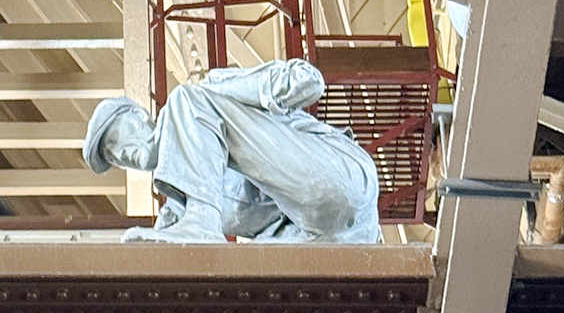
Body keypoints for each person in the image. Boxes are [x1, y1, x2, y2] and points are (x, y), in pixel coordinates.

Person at [84, 57, 381, 244]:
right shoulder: (177, 211)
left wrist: (278, 87)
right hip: (337, 239)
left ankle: (204, 224)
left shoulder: (201, 99)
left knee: (186, 100)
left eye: (113, 141)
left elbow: (307, 80)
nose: (119, 155)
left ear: (137, 116)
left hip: (340, 178)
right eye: (111, 158)